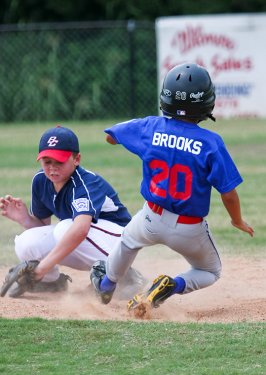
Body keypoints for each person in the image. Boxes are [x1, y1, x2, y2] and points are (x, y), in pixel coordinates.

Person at [90, 62, 254, 313]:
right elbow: (228, 192)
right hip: (188, 229)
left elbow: (111, 137)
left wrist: (141, 134)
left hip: (150, 217)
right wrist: (237, 220)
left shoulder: (150, 126)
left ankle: (106, 285)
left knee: (127, 243)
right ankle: (171, 285)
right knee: (210, 271)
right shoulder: (211, 142)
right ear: (207, 103)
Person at [0, 125, 146, 298]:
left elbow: (80, 230)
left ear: (76, 159)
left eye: (59, 161)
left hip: (120, 242)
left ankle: (125, 277)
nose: (52, 167)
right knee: (26, 243)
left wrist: (39, 269)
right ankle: (51, 283)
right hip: (87, 240)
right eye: (47, 162)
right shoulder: (41, 181)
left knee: (65, 229)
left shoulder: (85, 183)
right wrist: (23, 218)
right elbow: (41, 228)